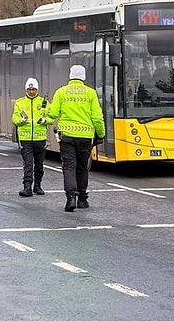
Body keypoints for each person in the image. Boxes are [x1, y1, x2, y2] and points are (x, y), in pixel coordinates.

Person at [47, 65, 106, 212]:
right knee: (82, 167)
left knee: (69, 167)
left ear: (70, 76)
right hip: (85, 137)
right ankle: (82, 199)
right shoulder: (90, 93)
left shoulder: (61, 92)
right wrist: (101, 134)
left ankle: (70, 198)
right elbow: (97, 118)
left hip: (67, 136)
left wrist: (44, 117)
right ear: (83, 77)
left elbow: (53, 113)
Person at [11, 78, 49, 197]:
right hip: (26, 138)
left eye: (33, 89)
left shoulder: (44, 102)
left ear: (37, 89)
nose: (31, 91)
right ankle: (27, 187)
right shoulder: (20, 102)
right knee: (28, 164)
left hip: (40, 138)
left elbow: (51, 117)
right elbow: (14, 118)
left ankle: (37, 186)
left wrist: (45, 120)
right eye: (29, 89)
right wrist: (20, 121)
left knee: (39, 164)